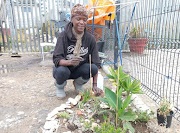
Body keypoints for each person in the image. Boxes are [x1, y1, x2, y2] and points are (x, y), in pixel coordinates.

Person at [53, 4, 103, 98]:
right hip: (64, 69)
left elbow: (96, 63)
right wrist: (70, 62)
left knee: (92, 68)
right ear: (72, 19)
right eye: (78, 19)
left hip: (79, 70)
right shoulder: (63, 36)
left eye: (84, 20)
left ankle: (78, 83)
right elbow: (56, 59)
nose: (82, 22)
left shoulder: (90, 39)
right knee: (61, 71)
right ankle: (60, 86)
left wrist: (95, 85)